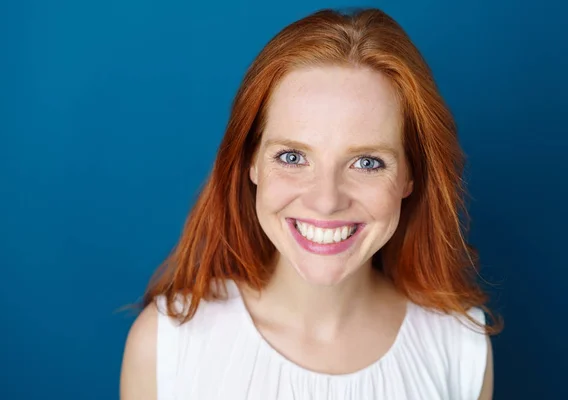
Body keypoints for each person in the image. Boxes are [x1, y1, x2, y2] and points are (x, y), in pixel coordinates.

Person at [120, 7, 502, 400]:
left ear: (410, 176)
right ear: (251, 161)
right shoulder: (166, 345)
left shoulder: (461, 350)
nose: (326, 201)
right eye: (292, 157)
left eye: (367, 162)